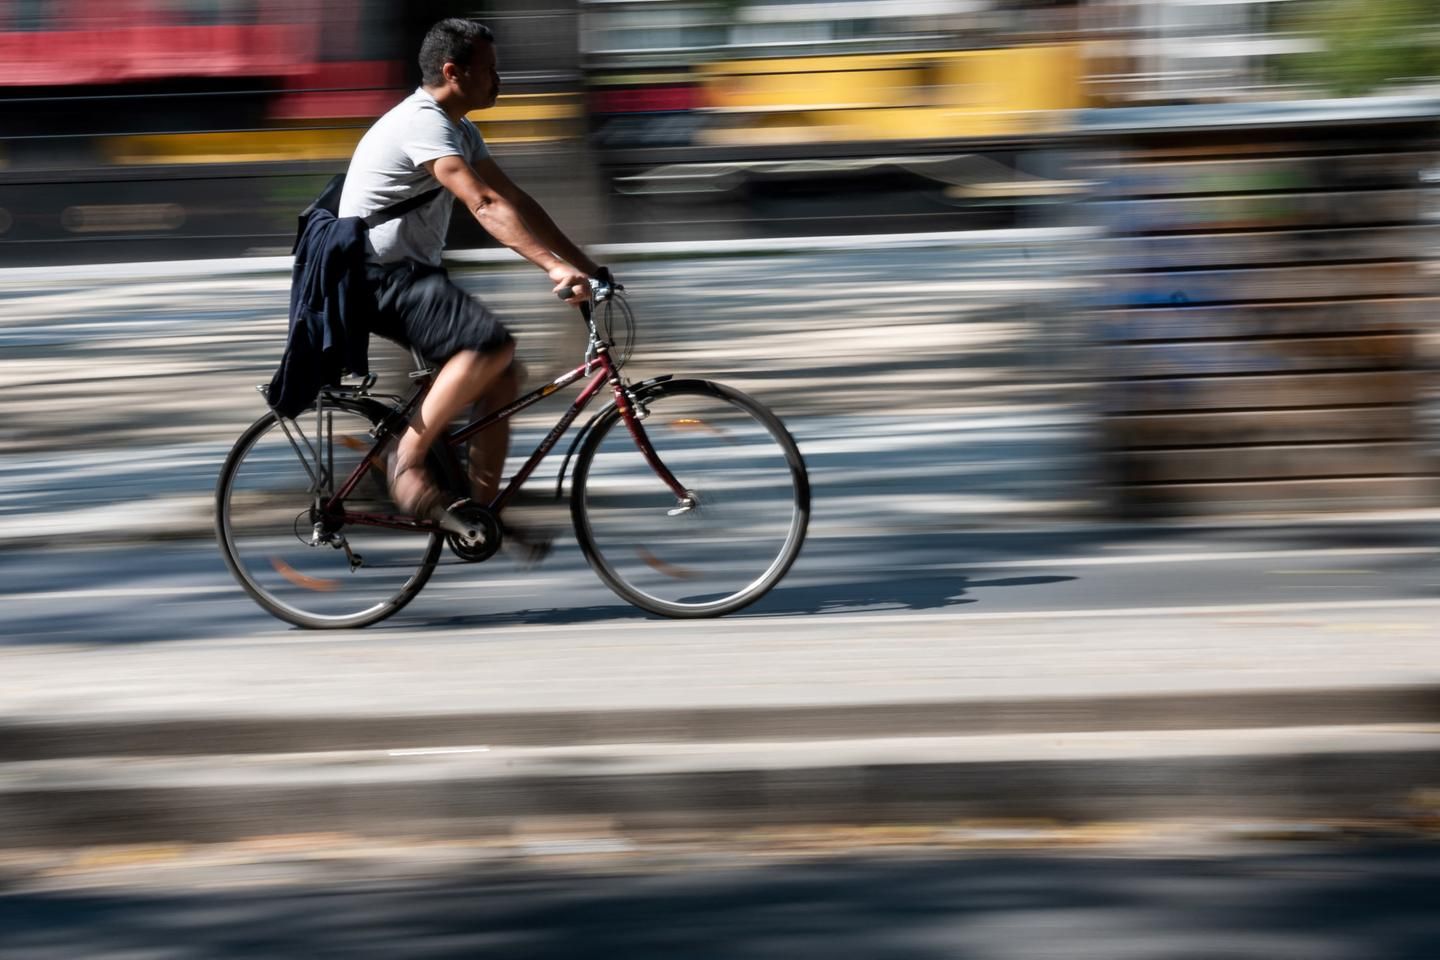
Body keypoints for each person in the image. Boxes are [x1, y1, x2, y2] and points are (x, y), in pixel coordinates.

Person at [337, 17, 602, 529]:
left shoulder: (459, 127)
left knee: (503, 374)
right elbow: (481, 203)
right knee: (488, 345)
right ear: (454, 72)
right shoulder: (422, 122)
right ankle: (406, 462)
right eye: (491, 70)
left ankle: (480, 511)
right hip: (374, 278)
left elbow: (515, 200)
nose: (499, 80)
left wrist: (588, 266)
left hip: (408, 276)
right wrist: (551, 266)